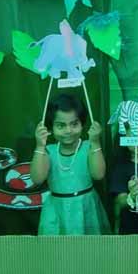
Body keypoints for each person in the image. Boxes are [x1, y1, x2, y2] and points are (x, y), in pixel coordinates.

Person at [30, 93, 109, 235]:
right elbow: (37, 178)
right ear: (50, 127)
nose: (68, 130)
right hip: (57, 210)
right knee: (57, 248)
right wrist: (40, 145)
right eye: (61, 125)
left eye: (74, 124)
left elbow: (98, 175)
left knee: (90, 248)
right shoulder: (48, 151)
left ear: (82, 124)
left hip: (86, 208)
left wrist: (96, 142)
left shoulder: (88, 147)